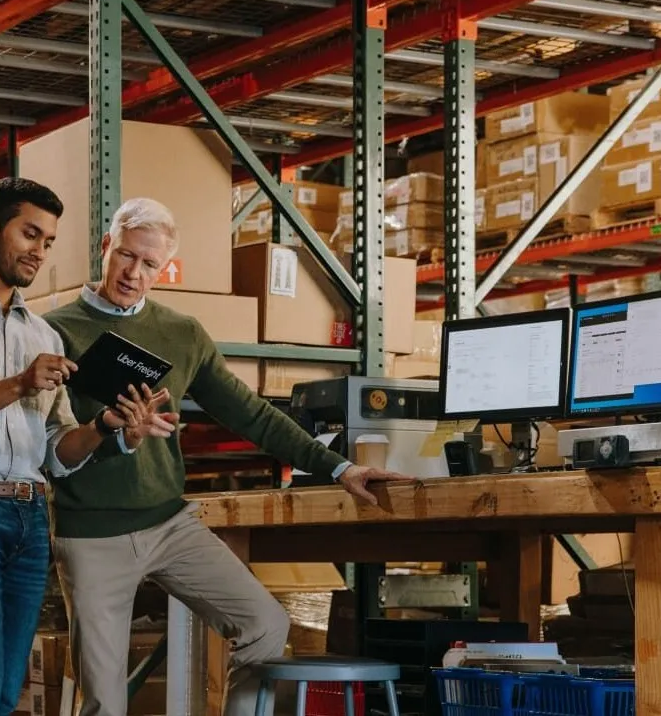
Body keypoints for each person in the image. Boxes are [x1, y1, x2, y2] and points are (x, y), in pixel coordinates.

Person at [42, 198, 411, 716]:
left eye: (150, 264)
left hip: (170, 524)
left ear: (163, 267)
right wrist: (114, 431)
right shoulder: (53, 330)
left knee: (265, 624)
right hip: (91, 532)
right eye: (126, 256)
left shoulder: (182, 333)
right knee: (104, 699)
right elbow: (49, 445)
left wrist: (340, 467)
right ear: (106, 247)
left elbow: (252, 414)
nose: (134, 272)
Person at [0, 178, 176, 716]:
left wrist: (106, 426)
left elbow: (56, 452)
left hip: (28, 517)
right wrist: (19, 385)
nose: (39, 251)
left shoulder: (42, 335)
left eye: (48, 241)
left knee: (4, 694)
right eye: (30, 234)